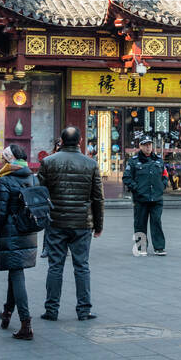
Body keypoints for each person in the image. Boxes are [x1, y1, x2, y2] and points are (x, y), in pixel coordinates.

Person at [37, 126, 104, 320]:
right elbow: (98, 198)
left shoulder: (48, 162)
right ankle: (84, 310)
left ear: (61, 141)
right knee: (82, 266)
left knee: (55, 266)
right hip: (82, 223)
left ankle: (51, 309)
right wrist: (98, 225)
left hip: (56, 221)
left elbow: (40, 193)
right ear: (80, 141)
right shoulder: (90, 164)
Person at [0, 144, 44, 339]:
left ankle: (25, 323)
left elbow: (1, 211)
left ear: (9, 159)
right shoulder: (32, 176)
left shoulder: (6, 179)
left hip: (12, 231)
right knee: (15, 271)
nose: (2, 161)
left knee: (17, 274)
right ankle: (7, 312)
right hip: (29, 230)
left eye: (4, 158)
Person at [123, 135, 169, 256]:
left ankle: (159, 247)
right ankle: (141, 247)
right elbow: (127, 178)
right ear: (140, 146)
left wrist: (162, 186)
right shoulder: (133, 161)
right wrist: (136, 189)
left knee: (156, 222)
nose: (148, 147)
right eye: (145, 145)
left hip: (156, 198)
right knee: (140, 223)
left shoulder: (159, 160)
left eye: (149, 144)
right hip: (141, 199)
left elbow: (165, 175)